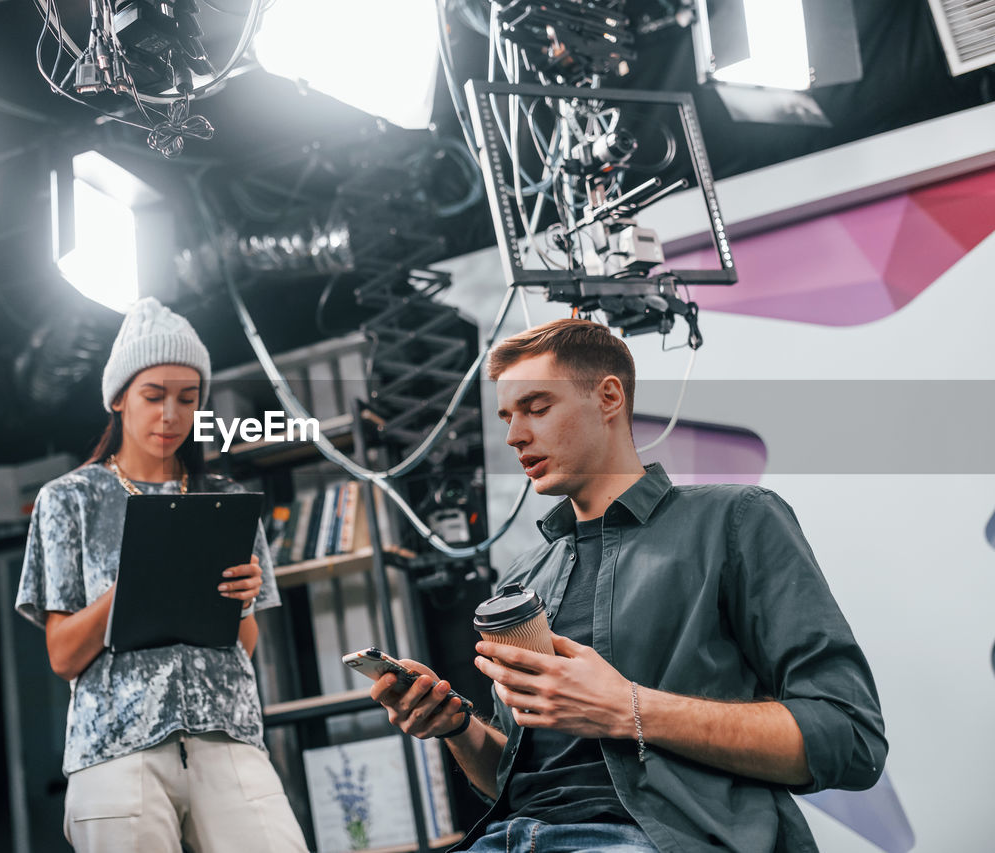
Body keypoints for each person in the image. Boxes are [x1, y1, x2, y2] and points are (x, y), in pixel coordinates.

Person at [368, 318, 886, 853]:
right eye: (507, 417)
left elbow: (850, 740)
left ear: (609, 397)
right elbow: (516, 781)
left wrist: (626, 707)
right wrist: (456, 726)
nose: (514, 436)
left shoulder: (737, 520)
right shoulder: (522, 579)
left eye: (538, 408)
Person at [15, 297, 308, 853]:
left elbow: (245, 646)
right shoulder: (69, 500)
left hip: (229, 737)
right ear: (120, 397)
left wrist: (242, 601)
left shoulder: (223, 499)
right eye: (153, 396)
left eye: (188, 398)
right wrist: (131, 589)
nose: (171, 415)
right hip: (115, 749)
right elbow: (62, 655)